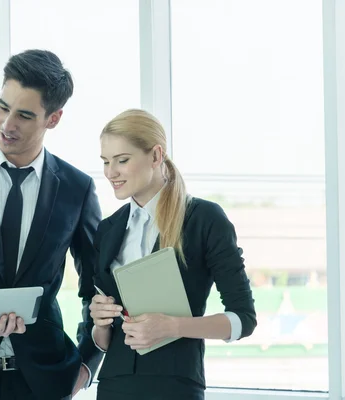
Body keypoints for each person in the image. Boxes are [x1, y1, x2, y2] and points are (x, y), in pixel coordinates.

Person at [0, 49, 103, 399]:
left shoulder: (76, 188)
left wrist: (87, 366)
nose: (7, 124)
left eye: (24, 115)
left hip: (45, 379)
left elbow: (96, 286)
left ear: (53, 119)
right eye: (2, 107)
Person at [89, 109, 257, 400]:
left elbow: (244, 319)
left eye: (122, 160)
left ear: (156, 156)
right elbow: (102, 342)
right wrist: (99, 321)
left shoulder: (204, 219)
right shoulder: (108, 230)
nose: (110, 172)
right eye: (105, 162)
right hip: (114, 385)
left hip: (175, 386)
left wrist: (174, 326)